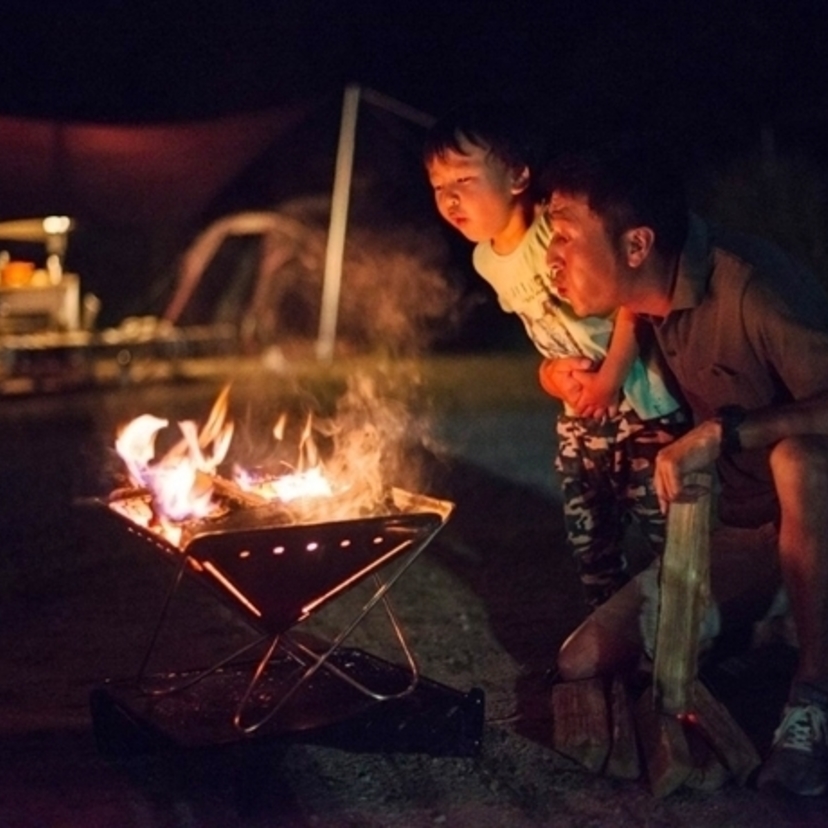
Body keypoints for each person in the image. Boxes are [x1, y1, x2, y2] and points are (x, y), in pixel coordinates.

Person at [543, 136, 828, 796]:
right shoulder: (645, 299)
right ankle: (772, 618)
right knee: (582, 659)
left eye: (564, 238)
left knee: (798, 460)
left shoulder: (752, 286)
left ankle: (814, 696)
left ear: (637, 245)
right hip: (748, 534)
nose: (551, 258)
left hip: (816, 507)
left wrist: (723, 432)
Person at [423, 103, 688, 611]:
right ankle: (607, 630)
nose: (450, 196)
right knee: (590, 535)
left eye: (464, 178)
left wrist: (611, 376)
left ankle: (690, 637)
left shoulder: (557, 228)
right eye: (438, 185)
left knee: (667, 532)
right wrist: (551, 376)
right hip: (581, 416)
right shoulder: (486, 259)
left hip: (644, 406)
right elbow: (545, 334)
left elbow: (631, 297)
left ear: (519, 174)